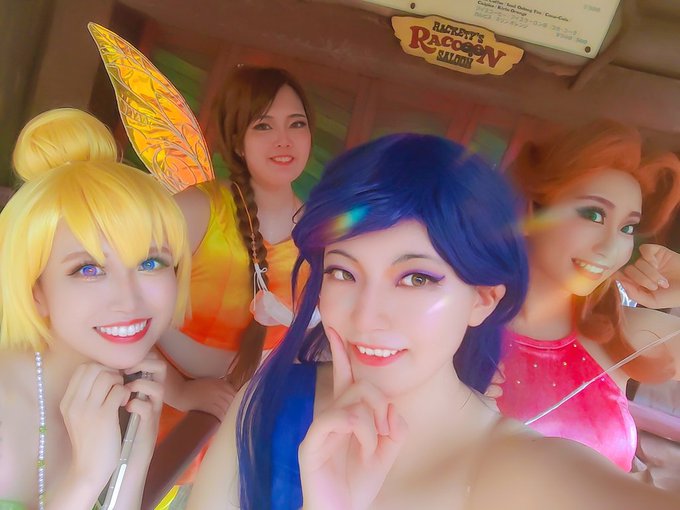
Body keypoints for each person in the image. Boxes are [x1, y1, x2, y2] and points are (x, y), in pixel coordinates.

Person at [186, 133, 680, 510]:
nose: (366, 315)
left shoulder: (521, 469)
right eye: (343, 272)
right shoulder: (268, 400)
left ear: (482, 300)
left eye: (416, 278)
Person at [0, 108, 191, 510]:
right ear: (35, 291)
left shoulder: (125, 391)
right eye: (89, 269)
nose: (129, 300)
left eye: (150, 262)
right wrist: (85, 478)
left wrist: (134, 455)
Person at [493, 120, 680, 473]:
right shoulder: (456, 324)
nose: (611, 246)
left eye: (627, 228)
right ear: (532, 209)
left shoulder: (625, 336)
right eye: (593, 215)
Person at [159, 65, 314, 422]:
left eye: (296, 124)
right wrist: (179, 391)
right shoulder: (196, 211)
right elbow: (119, 308)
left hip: (252, 418)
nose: (284, 140)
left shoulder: (320, 237)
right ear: (236, 139)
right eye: (263, 126)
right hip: (161, 410)